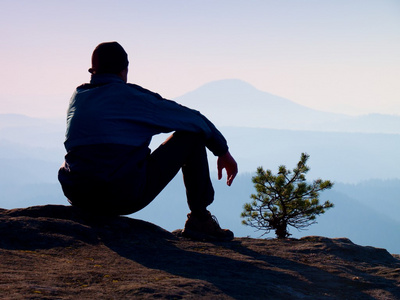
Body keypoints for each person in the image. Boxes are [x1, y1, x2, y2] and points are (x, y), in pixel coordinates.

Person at [58, 41, 238, 241]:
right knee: (192, 137)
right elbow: (193, 120)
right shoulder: (132, 97)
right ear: (123, 71)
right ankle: (200, 220)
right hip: (120, 195)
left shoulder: (78, 96)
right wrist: (223, 152)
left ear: (93, 71)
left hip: (78, 195)